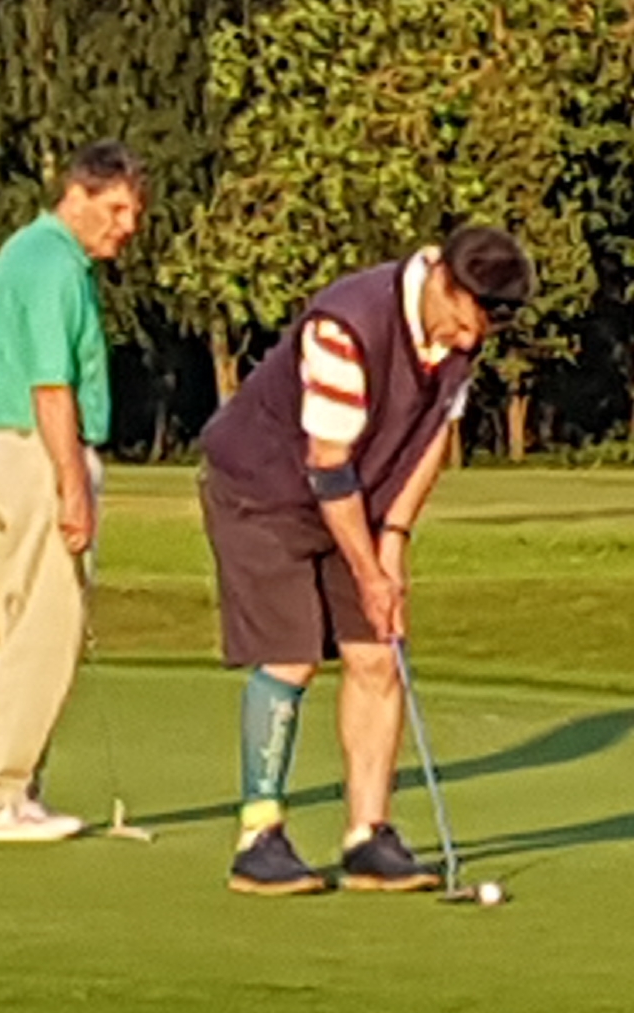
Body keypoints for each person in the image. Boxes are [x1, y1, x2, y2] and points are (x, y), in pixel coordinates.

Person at [196, 224, 535, 895]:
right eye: (469, 317)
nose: (471, 339)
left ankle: (368, 835)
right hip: (263, 491)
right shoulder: (344, 325)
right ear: (443, 278)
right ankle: (258, 836)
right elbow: (327, 466)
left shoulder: (460, 343)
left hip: (361, 495)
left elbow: (434, 436)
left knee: (376, 650)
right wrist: (368, 567)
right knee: (291, 653)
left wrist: (395, 542)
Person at [0, 139, 147, 843]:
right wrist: (73, 485)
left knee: (23, 624)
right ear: (78, 195)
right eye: (117, 207)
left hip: (5, 452)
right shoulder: (54, 265)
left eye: (134, 211)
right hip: (37, 454)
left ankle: (17, 786)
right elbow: (50, 385)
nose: (126, 225)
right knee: (44, 630)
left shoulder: (31, 253)